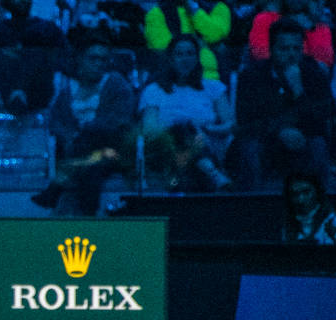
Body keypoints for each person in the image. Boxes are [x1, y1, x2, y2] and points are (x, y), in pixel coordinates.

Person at [230, 18, 336, 191]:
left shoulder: (315, 74)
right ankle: (254, 206)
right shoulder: (251, 76)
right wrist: (280, 131)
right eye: (284, 49)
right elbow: (246, 122)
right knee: (251, 148)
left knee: (318, 145)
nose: (291, 54)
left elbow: (324, 119)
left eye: (296, 48)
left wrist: (299, 91)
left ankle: (322, 203)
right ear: (272, 49)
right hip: (266, 139)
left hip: (305, 139)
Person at [32, 30, 136, 211]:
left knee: (90, 141)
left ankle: (56, 186)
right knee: (91, 170)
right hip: (80, 151)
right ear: (80, 59)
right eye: (93, 58)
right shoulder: (67, 90)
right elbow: (56, 122)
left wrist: (85, 133)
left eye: (103, 59)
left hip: (112, 150)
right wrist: (73, 137)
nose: (99, 64)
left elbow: (118, 121)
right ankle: (88, 222)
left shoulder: (116, 84)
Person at [138, 34, 233, 191]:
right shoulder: (153, 90)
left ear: (197, 58)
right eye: (179, 54)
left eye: (190, 54)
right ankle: (212, 173)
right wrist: (178, 127)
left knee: (189, 136)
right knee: (182, 128)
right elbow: (149, 129)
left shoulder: (213, 87)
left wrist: (208, 129)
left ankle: (204, 168)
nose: (185, 59)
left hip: (207, 142)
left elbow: (230, 124)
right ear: (170, 58)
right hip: (167, 148)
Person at [0, 0, 68, 116]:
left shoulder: (48, 29)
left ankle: (19, 95)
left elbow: (61, 59)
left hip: (36, 91)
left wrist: (23, 54)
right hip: (0, 89)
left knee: (36, 53)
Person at [143, 0, 231, 81]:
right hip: (176, 80)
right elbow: (162, 46)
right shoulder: (157, 13)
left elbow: (215, 34)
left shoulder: (217, 7)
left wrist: (195, 11)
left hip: (211, 77)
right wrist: (198, 43)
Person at [248, 0, 333, 69]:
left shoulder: (320, 27)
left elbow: (323, 63)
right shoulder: (265, 19)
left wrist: (310, 29)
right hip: (270, 82)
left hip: (308, 84)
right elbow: (261, 55)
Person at [281, 170, 336, 243]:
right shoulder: (287, 222)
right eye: (295, 194)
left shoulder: (333, 218)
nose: (301, 199)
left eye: (306, 192)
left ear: (317, 191)